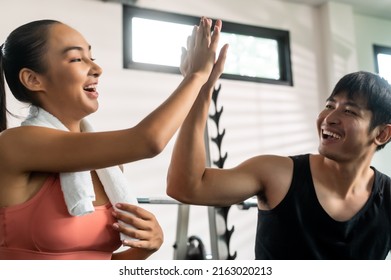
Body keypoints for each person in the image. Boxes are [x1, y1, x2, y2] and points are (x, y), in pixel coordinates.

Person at [0, 17, 227, 260]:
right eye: (77, 59)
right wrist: (195, 77)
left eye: (92, 58)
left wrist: (143, 249)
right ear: (33, 79)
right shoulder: (15, 144)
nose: (97, 69)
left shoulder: (108, 167)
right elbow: (147, 141)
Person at [166, 69, 391, 259]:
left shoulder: (388, 197)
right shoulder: (276, 174)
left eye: (350, 111)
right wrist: (200, 86)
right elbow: (185, 186)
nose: (329, 117)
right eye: (330, 105)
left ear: (382, 134)